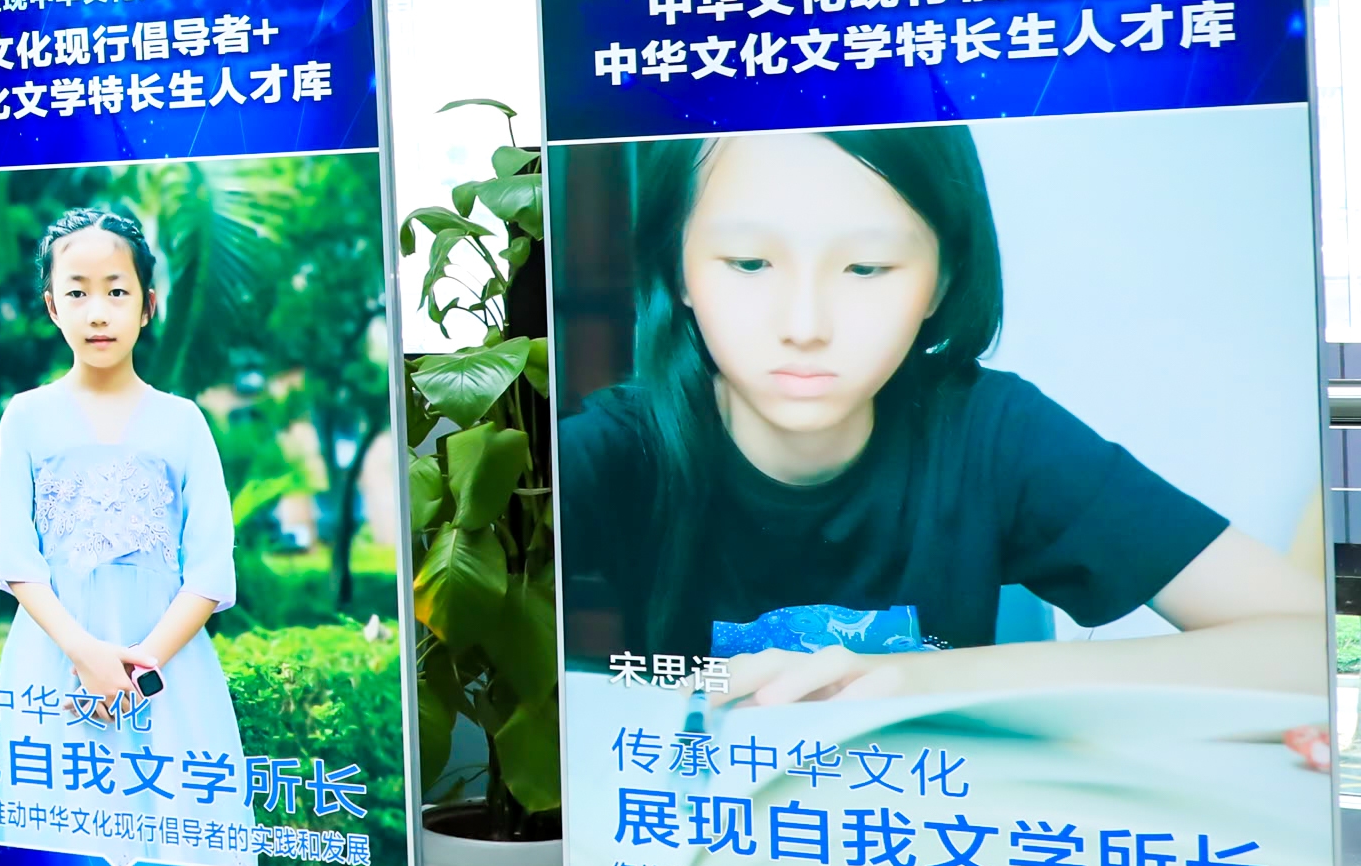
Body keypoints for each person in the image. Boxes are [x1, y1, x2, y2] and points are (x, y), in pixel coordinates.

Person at [562, 126, 1321, 705]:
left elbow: (1314, 646)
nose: (804, 325)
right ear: (678, 269)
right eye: (750, 263)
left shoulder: (993, 431)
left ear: (941, 279)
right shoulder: (616, 451)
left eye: (867, 267)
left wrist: (932, 679)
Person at [0, 207, 251, 866]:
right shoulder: (26, 416)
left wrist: (139, 669)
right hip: (53, 665)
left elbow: (211, 568)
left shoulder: (184, 422)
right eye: (77, 292)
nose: (97, 312)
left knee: (180, 856)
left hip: (168, 671)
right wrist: (86, 657)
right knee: (59, 860)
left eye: (116, 291)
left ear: (148, 304)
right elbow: (16, 559)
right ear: (52, 306)